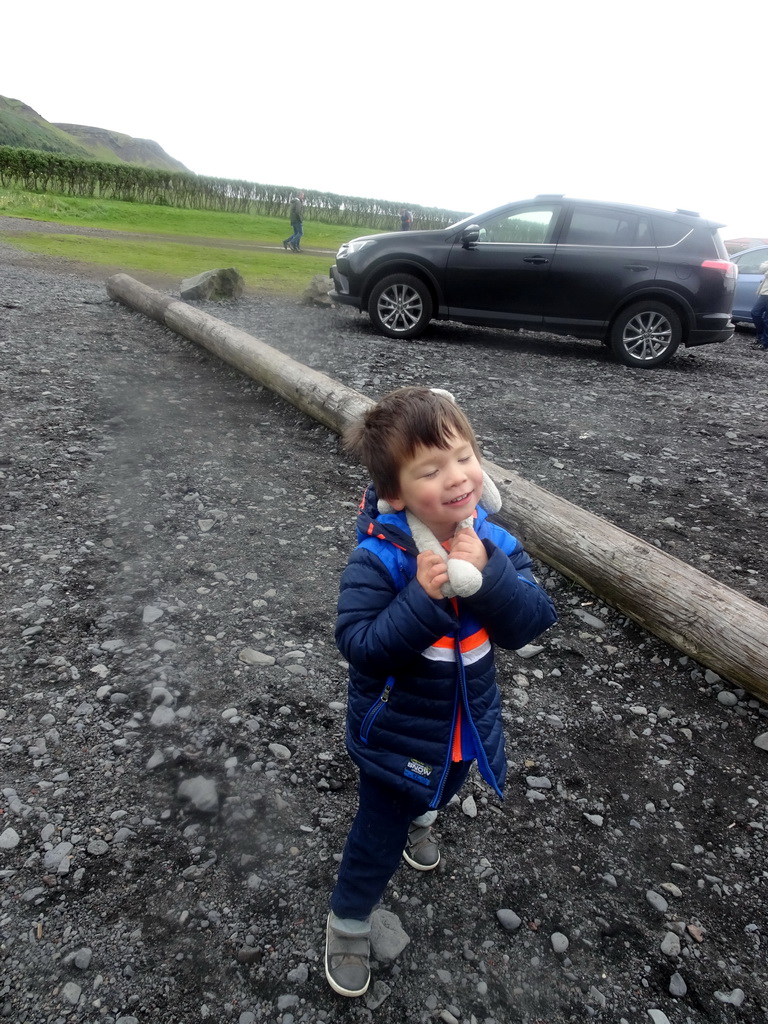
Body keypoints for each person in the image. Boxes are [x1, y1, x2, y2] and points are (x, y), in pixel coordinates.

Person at [324, 386, 558, 998]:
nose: (456, 478)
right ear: (396, 493)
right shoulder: (380, 559)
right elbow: (359, 644)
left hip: (464, 723)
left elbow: (531, 621)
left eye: (463, 457)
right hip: (396, 730)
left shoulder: (493, 541)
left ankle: (426, 815)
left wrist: (490, 576)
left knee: (451, 784)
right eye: (431, 469)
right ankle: (347, 921)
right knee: (377, 834)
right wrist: (423, 603)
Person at [750, 259, 768, 350]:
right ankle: (761, 337)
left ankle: (765, 344)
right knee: (755, 313)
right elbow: (762, 267)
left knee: (767, 319)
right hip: (765, 293)